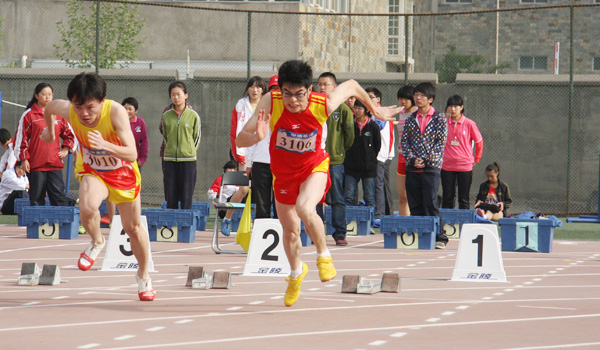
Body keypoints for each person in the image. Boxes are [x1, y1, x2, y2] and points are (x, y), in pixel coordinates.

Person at [236, 60, 400, 307]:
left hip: (314, 167)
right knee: (290, 232)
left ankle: (324, 255)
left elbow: (353, 85)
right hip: (283, 173)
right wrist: (256, 136)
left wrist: (373, 109)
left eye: (299, 95)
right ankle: (295, 274)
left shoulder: (323, 103)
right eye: (288, 94)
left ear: (310, 91)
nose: (293, 101)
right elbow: (240, 138)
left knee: (305, 208)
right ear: (281, 90)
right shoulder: (272, 101)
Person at [41, 72, 155, 301]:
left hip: (123, 173)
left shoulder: (115, 112)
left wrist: (105, 144)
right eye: (78, 106)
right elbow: (50, 108)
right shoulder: (69, 109)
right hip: (94, 171)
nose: (84, 114)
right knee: (88, 206)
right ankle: (96, 241)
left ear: (102, 101)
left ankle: (143, 275)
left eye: (90, 108)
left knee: (132, 228)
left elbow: (132, 153)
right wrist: (50, 131)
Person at [14, 83, 78, 207]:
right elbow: (21, 139)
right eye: (44, 94)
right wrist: (24, 159)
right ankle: (37, 224)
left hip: (54, 164)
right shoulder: (29, 115)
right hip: (36, 164)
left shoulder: (59, 115)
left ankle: (60, 223)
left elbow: (70, 134)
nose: (48, 97)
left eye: (50, 94)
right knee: (37, 197)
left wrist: (66, 148)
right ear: (36, 96)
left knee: (58, 195)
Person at [401, 82, 448, 249]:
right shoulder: (411, 118)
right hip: (412, 166)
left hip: (431, 167)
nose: (417, 98)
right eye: (416, 95)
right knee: (414, 203)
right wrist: (413, 159)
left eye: (421, 95)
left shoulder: (439, 117)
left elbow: (440, 142)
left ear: (431, 99)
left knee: (430, 201)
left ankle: (440, 236)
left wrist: (427, 160)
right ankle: (421, 235)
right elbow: (404, 142)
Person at [221, 76, 266, 235]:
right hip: (245, 153)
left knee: (264, 192)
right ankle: (227, 219)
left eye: (258, 87)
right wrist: (240, 155)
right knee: (244, 189)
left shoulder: (267, 105)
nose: (255, 90)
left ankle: (262, 227)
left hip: (262, 154)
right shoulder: (241, 105)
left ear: (263, 90)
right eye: (252, 86)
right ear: (248, 88)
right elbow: (236, 131)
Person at [317, 72, 355, 246]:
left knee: (338, 197)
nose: (322, 87)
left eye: (326, 84)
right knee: (316, 197)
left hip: (335, 161)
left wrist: (338, 151)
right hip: (315, 160)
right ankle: (316, 231)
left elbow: (349, 137)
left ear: (335, 87)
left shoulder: (342, 108)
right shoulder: (313, 106)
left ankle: (340, 233)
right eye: (320, 84)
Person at [102, 97, 149, 225]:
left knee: (132, 192)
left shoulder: (140, 123)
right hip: (116, 162)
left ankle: (131, 221)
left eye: (130, 109)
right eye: (125, 108)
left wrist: (142, 159)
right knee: (111, 191)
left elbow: (144, 142)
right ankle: (113, 221)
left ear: (136, 111)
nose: (127, 111)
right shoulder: (114, 121)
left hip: (132, 163)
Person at [160, 81, 201, 210]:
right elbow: (165, 133)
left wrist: (189, 150)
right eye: (173, 95)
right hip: (169, 160)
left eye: (178, 94)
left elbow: (197, 136)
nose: (176, 97)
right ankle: (172, 226)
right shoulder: (166, 115)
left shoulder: (193, 115)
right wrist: (170, 148)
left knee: (186, 196)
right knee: (170, 195)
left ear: (186, 95)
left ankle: (185, 227)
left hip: (188, 160)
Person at [245, 75, 279, 220]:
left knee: (280, 203)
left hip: (281, 163)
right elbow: (250, 137)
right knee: (261, 204)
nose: (276, 93)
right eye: (273, 90)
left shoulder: (290, 111)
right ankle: (261, 235)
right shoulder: (260, 112)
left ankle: (281, 235)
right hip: (261, 162)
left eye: (279, 90)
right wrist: (249, 163)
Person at [441, 95, 483, 210]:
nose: (453, 109)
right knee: (447, 198)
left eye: (456, 106)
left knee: (464, 199)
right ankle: (446, 226)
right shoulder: (443, 123)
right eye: (450, 106)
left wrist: (476, 159)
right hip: (447, 166)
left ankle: (464, 225)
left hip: (465, 166)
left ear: (461, 107)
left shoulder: (469, 124)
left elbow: (479, 142)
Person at [344, 99, 381, 211]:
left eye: (360, 108)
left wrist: (369, 157)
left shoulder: (373, 126)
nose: (357, 110)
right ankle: (347, 223)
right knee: (348, 196)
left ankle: (369, 224)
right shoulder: (350, 124)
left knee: (369, 197)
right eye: (355, 108)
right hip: (351, 166)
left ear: (366, 110)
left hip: (368, 167)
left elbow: (377, 145)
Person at [366, 87, 394, 228]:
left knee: (379, 185)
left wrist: (385, 156)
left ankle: (379, 215)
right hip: (368, 155)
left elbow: (386, 136)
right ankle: (376, 213)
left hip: (380, 156)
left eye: (371, 97)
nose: (368, 100)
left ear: (378, 99)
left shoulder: (382, 113)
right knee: (374, 185)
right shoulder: (367, 113)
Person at [396, 85, 417, 216]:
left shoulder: (417, 114)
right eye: (400, 98)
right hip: (401, 157)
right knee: (403, 197)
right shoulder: (401, 113)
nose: (402, 102)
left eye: (406, 99)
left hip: (414, 158)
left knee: (414, 196)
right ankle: (403, 225)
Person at [208, 160, 241, 228]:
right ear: (225, 169)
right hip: (225, 203)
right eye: (229, 168)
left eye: (234, 169)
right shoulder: (220, 179)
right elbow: (211, 192)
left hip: (239, 202)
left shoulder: (240, 180)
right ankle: (226, 219)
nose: (232, 170)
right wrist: (218, 201)